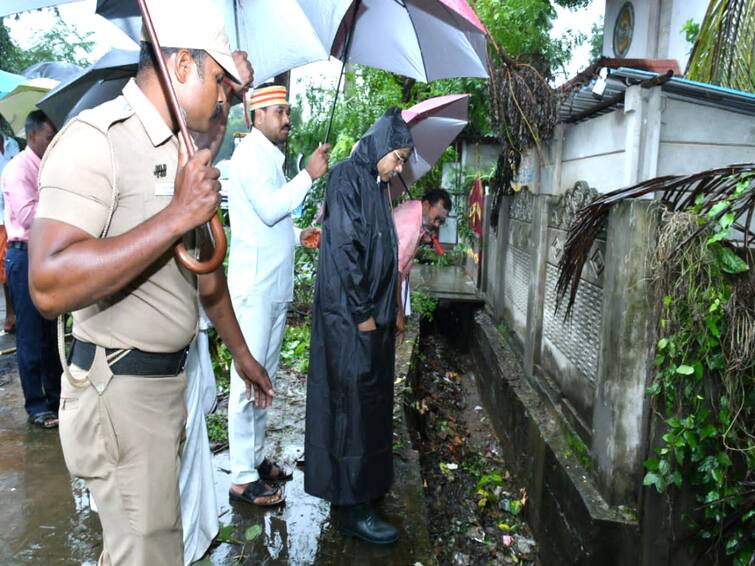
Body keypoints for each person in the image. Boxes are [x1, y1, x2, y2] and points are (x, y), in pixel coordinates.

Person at [28, 1, 274, 564]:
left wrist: (241, 356)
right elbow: (46, 284)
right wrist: (174, 217)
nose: (221, 97)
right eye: (217, 81)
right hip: (121, 393)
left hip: (165, 389)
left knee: (165, 543)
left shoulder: (181, 148)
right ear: (181, 64)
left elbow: (203, 273)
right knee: (148, 553)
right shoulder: (97, 139)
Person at [305, 107, 413, 545]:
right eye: (399, 157)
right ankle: (351, 508)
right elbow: (348, 253)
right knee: (350, 411)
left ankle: (364, 492)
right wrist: (366, 314)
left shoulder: (375, 184)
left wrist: (393, 310)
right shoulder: (348, 177)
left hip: (373, 321)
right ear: (383, 146)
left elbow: (384, 252)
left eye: (404, 160)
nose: (400, 166)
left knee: (369, 411)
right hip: (352, 323)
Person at [227, 84, 330, 506]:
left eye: (287, 111)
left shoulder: (269, 157)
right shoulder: (249, 156)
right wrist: (309, 175)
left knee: (263, 379)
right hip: (254, 288)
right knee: (245, 381)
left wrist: (297, 233)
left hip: (271, 286)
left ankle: (254, 459)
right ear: (257, 115)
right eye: (280, 112)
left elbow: (266, 220)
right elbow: (270, 207)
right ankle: (240, 477)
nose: (288, 119)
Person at [1, 111, 61, 429]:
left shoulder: (50, 168)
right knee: (30, 335)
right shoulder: (17, 170)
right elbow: (27, 218)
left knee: (50, 331)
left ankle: (54, 399)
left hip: (45, 254)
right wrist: (62, 206)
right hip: (24, 255)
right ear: (32, 135)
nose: (53, 143)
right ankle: (37, 405)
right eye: (50, 137)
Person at [393, 189, 452, 338]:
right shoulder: (411, 225)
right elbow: (394, 271)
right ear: (426, 205)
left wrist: (421, 238)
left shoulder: (413, 208)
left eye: (441, 222)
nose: (437, 225)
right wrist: (399, 313)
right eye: (437, 218)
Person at [0, 130, 19, 333]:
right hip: (0, 216)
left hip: (14, 212)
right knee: (4, 269)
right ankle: (11, 313)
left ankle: (14, 313)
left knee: (11, 265)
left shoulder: (12, 144)